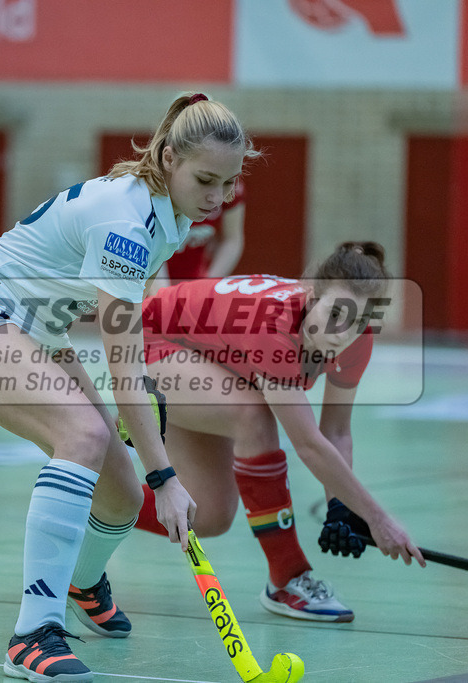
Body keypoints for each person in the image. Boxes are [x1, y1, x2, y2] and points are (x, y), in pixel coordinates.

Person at [0, 92, 260, 682]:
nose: (217, 197)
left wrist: (146, 459)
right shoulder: (125, 222)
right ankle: (33, 635)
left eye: (229, 183)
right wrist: (167, 477)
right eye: (206, 180)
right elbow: (121, 358)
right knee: (82, 436)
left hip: (40, 328)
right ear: (168, 158)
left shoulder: (171, 212)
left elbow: (128, 334)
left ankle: (81, 582)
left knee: (121, 497)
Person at [128, 241, 426, 623]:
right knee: (253, 416)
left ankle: (101, 501)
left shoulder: (357, 341)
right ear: (311, 295)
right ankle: (287, 577)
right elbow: (309, 444)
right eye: (335, 314)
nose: (341, 333)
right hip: (150, 338)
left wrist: (340, 507)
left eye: (356, 321)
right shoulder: (274, 327)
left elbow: (336, 431)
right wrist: (378, 519)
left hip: (208, 353)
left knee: (210, 514)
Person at [165, 177, 246, 280]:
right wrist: (161, 288)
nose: (216, 199)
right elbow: (152, 244)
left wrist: (207, 283)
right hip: (150, 276)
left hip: (194, 277)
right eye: (204, 180)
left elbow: (232, 240)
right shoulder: (163, 184)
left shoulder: (231, 185)